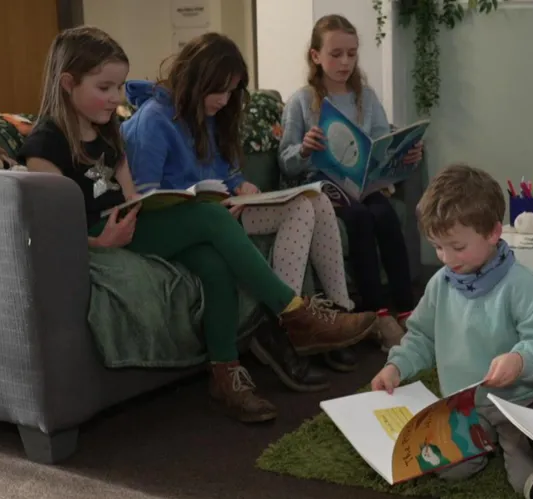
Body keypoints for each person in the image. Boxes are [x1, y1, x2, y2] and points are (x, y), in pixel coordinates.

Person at [18, 26, 367, 424]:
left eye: (118, 87)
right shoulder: (46, 141)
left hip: (133, 225)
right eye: (105, 88)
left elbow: (134, 200)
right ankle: (294, 313)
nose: (116, 98)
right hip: (99, 235)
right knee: (213, 215)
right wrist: (99, 243)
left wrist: (165, 207)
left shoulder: (108, 132)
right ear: (67, 83)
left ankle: (225, 374)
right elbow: (46, 230)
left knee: (214, 264)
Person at [119, 32, 375, 373]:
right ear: (195, 80)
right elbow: (147, 198)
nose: (225, 100)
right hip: (191, 220)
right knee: (300, 207)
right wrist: (213, 202)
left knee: (316, 200)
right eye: (218, 90)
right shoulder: (153, 120)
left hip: (224, 211)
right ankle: (291, 324)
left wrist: (242, 187)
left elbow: (227, 173)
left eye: (231, 90)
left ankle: (337, 312)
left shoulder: (211, 116)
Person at [369, 164, 533, 499]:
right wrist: (396, 367)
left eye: (457, 247)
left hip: (515, 404)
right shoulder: (440, 284)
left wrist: (519, 360)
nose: (447, 259)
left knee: (528, 476)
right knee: (444, 466)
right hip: (462, 406)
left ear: (492, 233)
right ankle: (482, 442)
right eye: (438, 247)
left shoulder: (521, 284)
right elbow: (421, 338)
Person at [279, 14, 424, 351]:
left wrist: (404, 154)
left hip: (362, 182)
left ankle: (408, 309)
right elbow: (284, 161)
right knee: (359, 218)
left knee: (385, 214)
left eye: (352, 53)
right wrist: (303, 150)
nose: (345, 62)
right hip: (322, 184)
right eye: (336, 54)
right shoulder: (302, 101)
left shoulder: (365, 97)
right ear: (316, 56)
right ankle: (378, 313)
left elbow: (380, 142)